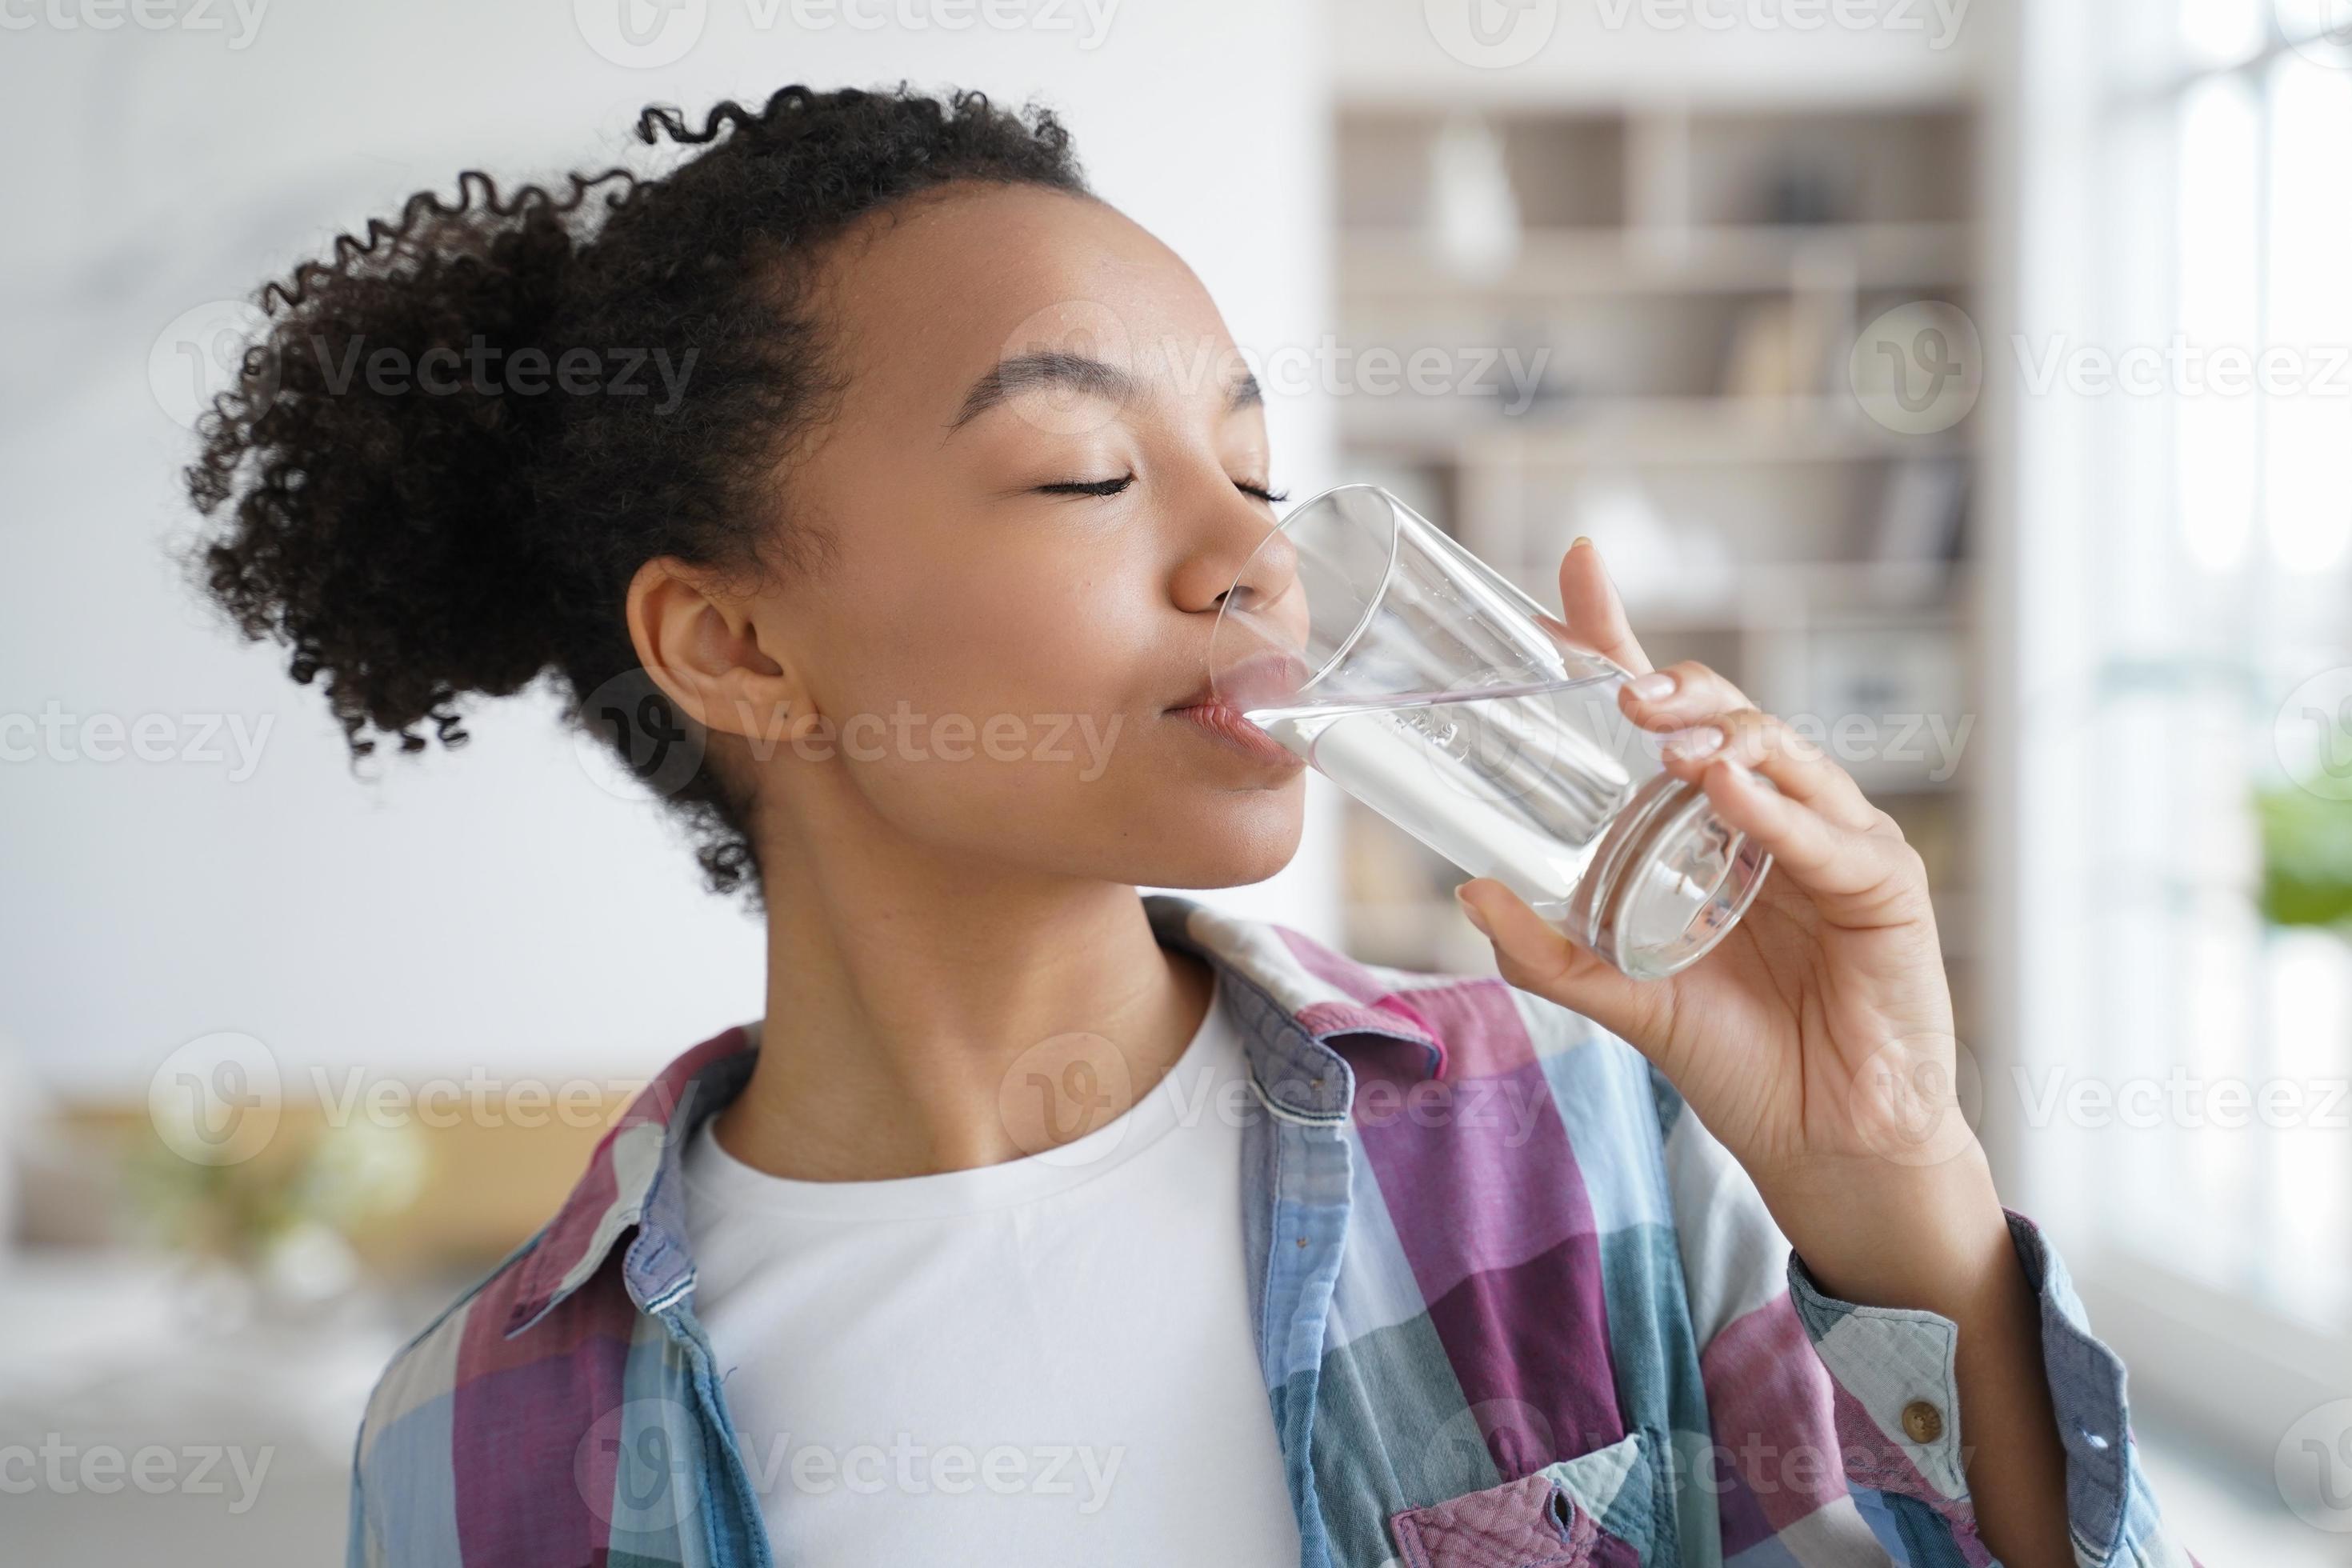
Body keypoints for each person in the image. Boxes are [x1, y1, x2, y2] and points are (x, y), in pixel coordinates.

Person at [186, 84, 2187, 1568]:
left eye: (1253, 458)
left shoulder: (1584, 1153)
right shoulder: (470, 1438)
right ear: (730, 642)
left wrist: (1892, 1173)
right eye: (1080, 471)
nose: (1259, 556)